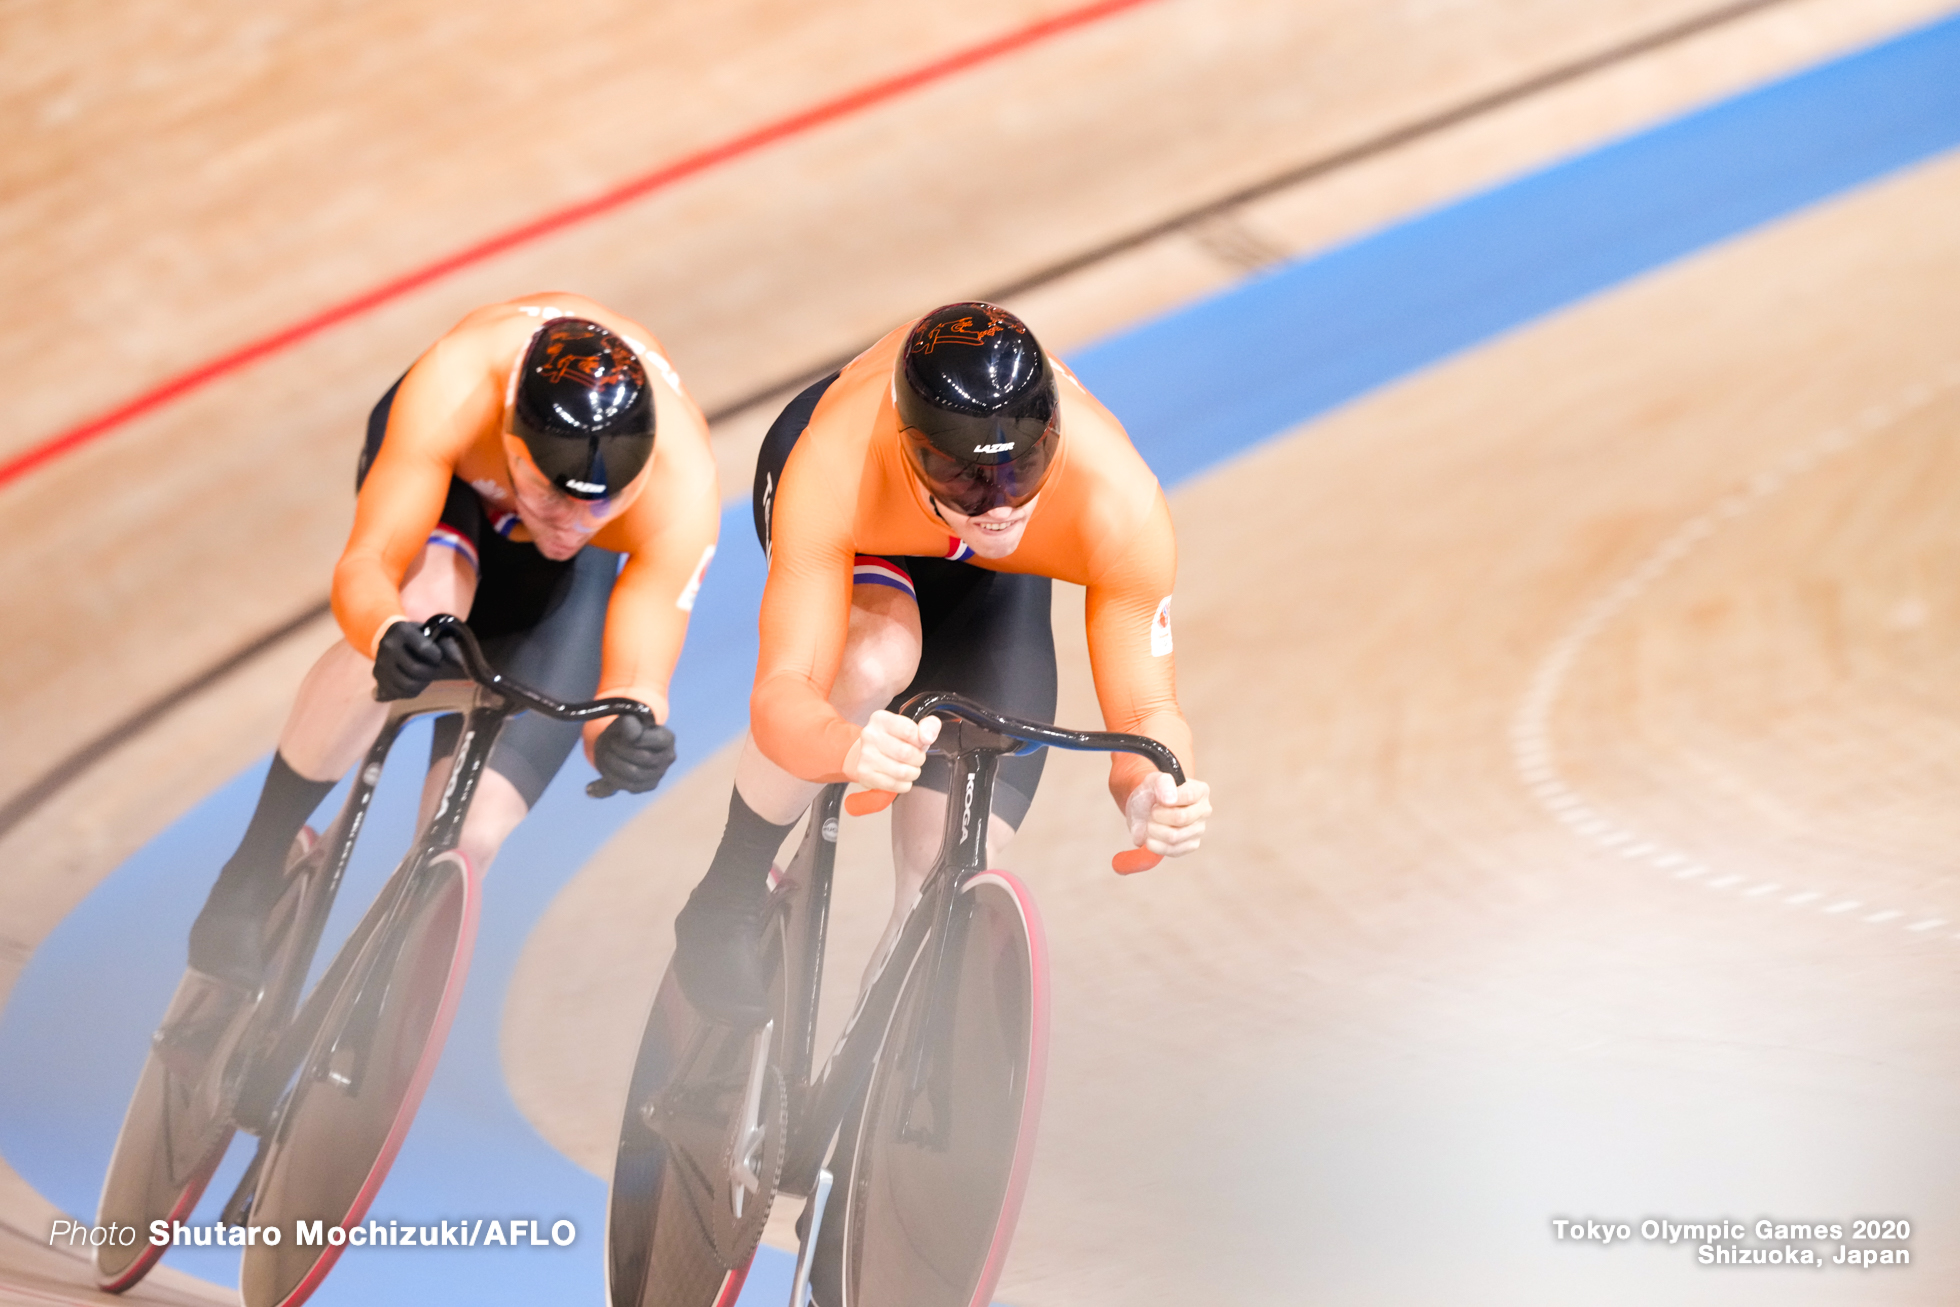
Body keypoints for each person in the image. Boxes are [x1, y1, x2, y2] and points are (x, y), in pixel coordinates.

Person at [671, 300, 1211, 1023]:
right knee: (874, 661)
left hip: (989, 579)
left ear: (1053, 437)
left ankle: (866, 1081)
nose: (997, 508)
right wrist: (844, 741)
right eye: (963, 480)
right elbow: (785, 692)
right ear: (909, 447)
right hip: (869, 532)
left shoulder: (1116, 500)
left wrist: (1152, 791)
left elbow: (1147, 712)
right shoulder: (834, 464)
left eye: (1022, 470)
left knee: (949, 873)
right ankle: (727, 896)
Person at [188, 294, 720, 987]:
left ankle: (367, 995)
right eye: (550, 493)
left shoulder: (682, 486)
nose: (572, 521)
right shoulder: (454, 388)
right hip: (456, 500)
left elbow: (638, 670)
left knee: (473, 831)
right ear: (509, 437)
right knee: (426, 604)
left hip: (561, 574)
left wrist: (625, 736)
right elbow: (368, 564)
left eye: (602, 502)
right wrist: (385, 632)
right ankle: (251, 872)